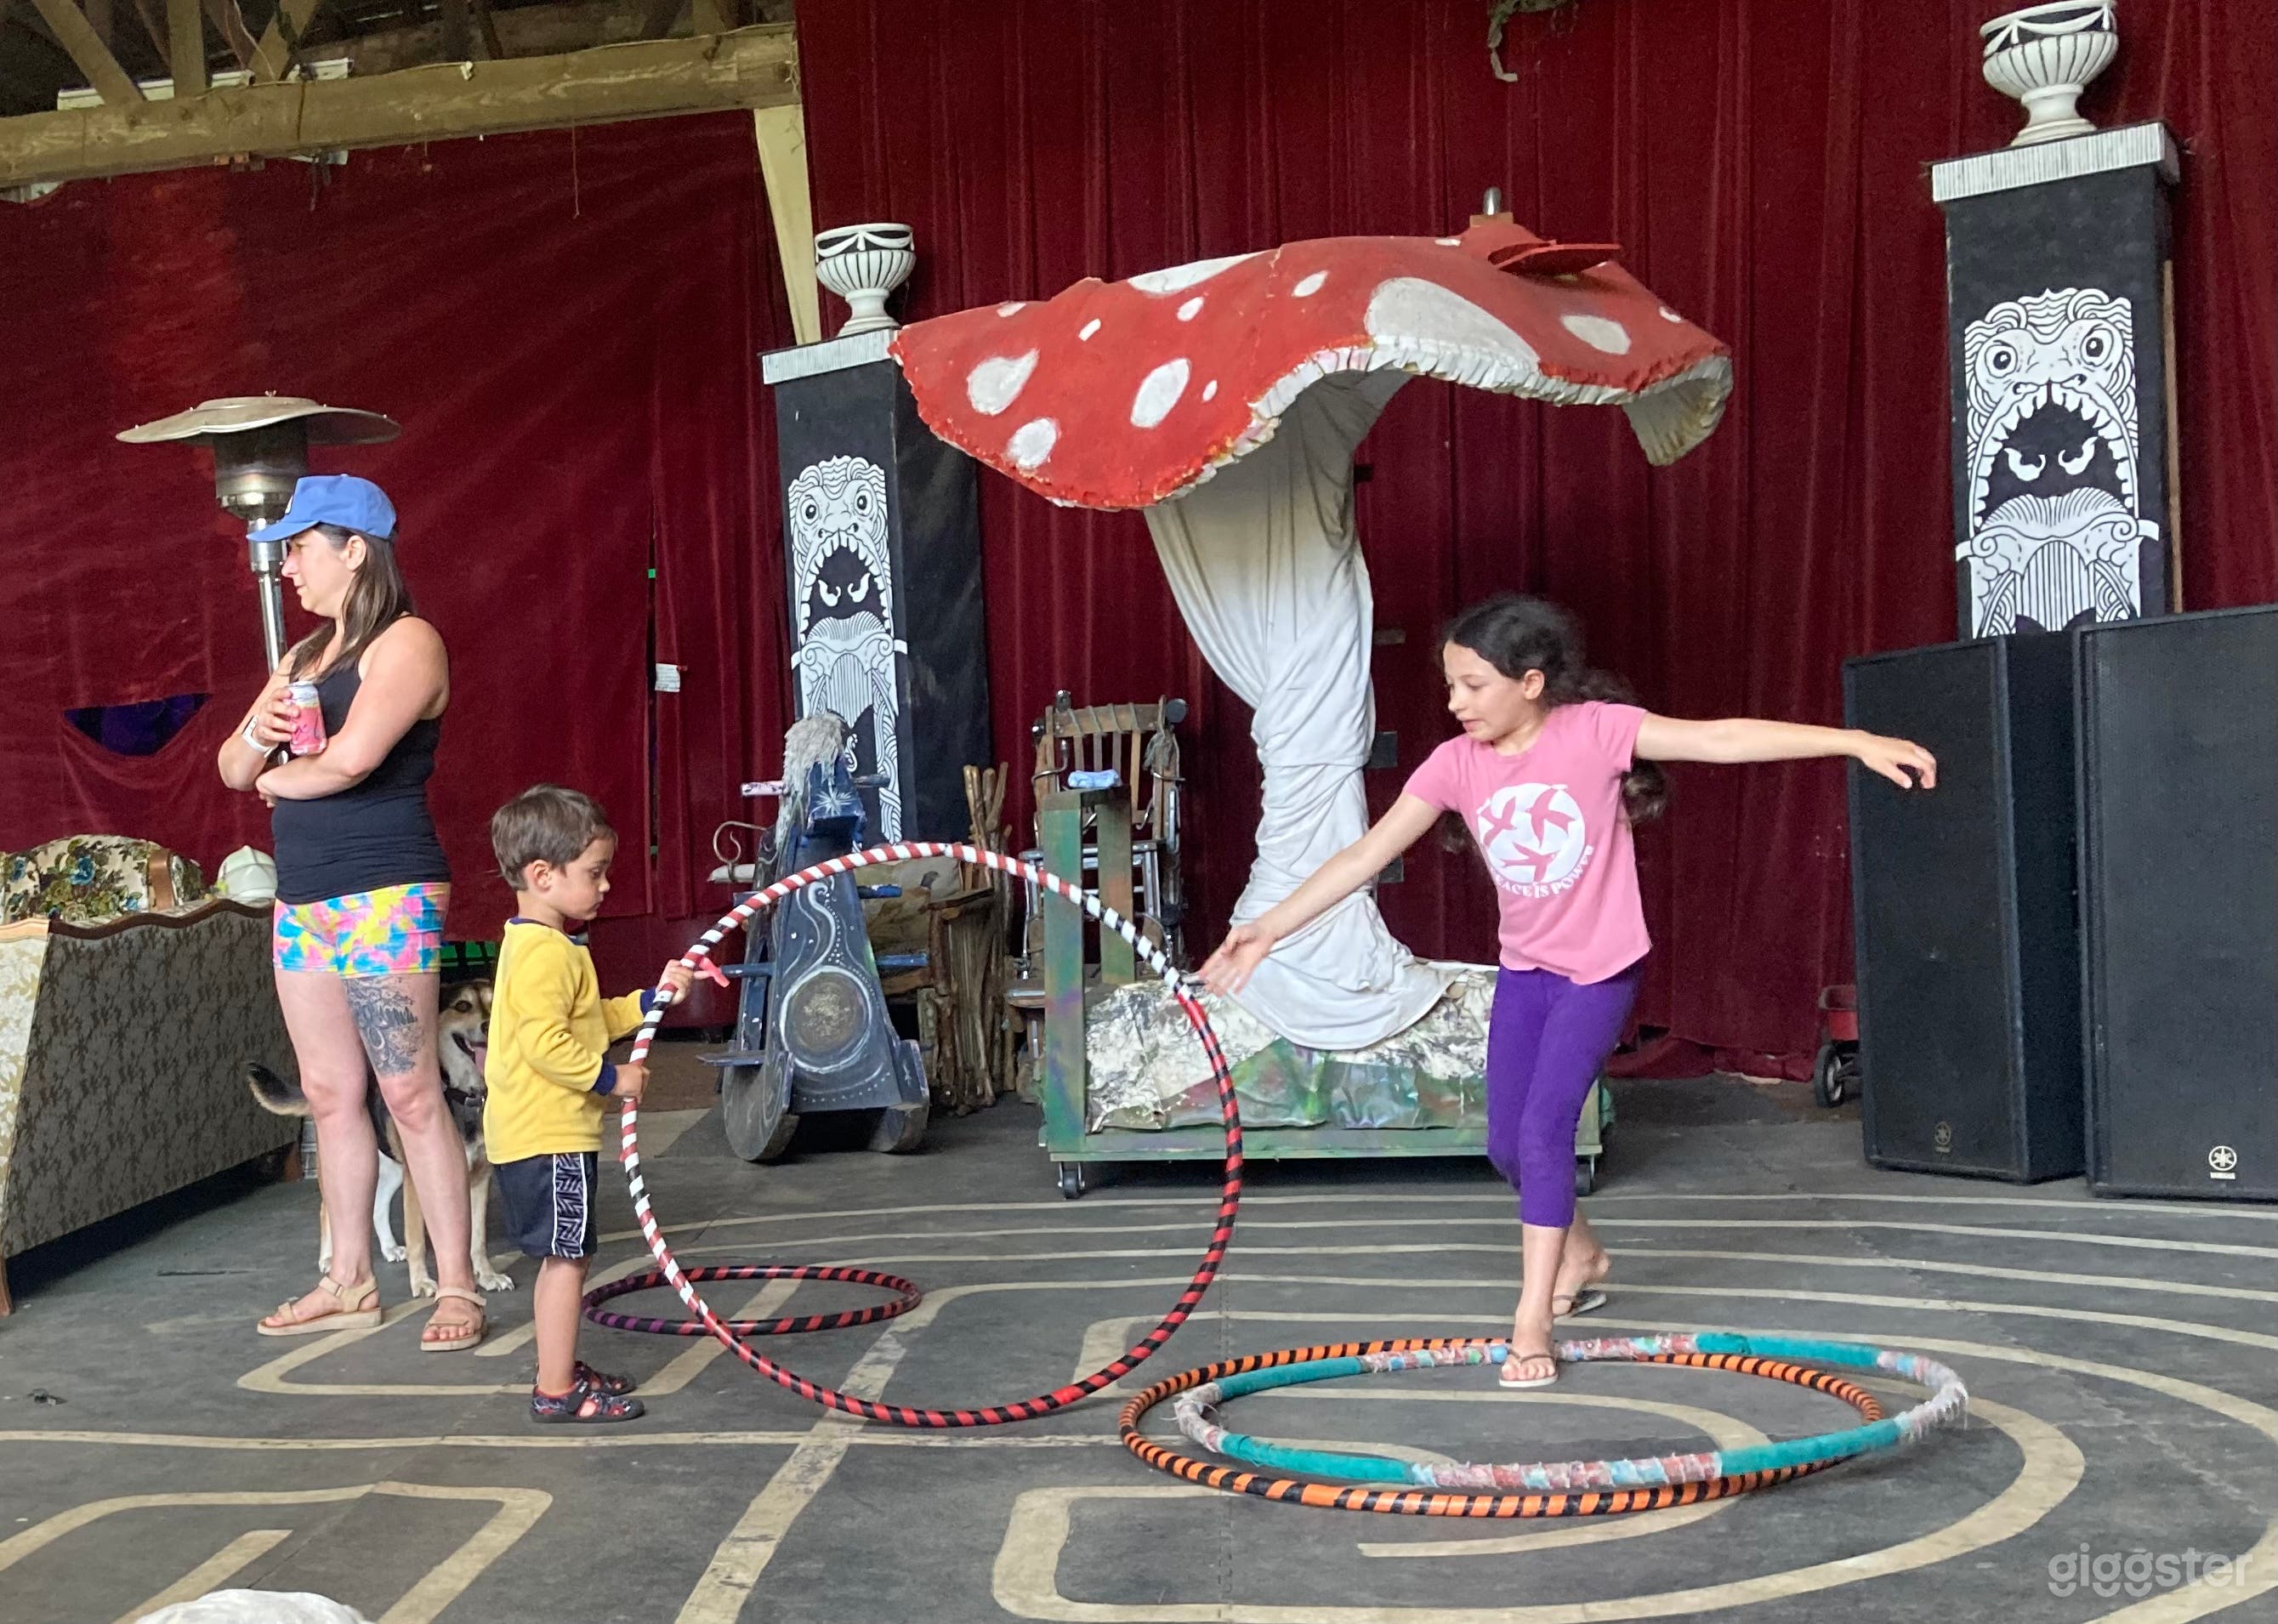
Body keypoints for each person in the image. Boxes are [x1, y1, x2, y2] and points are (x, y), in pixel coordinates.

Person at [1201, 593, 1935, 1389]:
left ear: (1530, 682)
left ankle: (1531, 1322)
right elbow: (1362, 857)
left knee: (1546, 1133)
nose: (1455, 704)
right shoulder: (1454, 764)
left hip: (1599, 974)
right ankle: (1581, 1250)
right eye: (1449, 686)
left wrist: (1853, 740)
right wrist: (1268, 928)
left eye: (1472, 686)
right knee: (1505, 1146)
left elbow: (1719, 740)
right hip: (1526, 974)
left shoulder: (1594, 732)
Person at [219, 474, 486, 1351]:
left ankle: (456, 1284)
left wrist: (276, 778)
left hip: (384, 892)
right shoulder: (301, 659)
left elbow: (352, 761)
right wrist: (262, 738)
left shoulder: (408, 641)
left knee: (409, 1091)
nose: (287, 563)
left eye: (300, 545)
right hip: (305, 898)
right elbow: (230, 767)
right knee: (332, 1092)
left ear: (355, 548)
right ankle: (349, 1279)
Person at [486, 785, 690, 1422]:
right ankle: (555, 1390)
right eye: (595, 873)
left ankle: (559, 1367)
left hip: (533, 1134)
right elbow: (546, 1043)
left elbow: (584, 1018)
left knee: (564, 1256)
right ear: (542, 876)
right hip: (549, 1136)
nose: (605, 887)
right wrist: (610, 1080)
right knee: (567, 1259)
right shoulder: (547, 954)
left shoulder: (540, 945)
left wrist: (648, 1001)